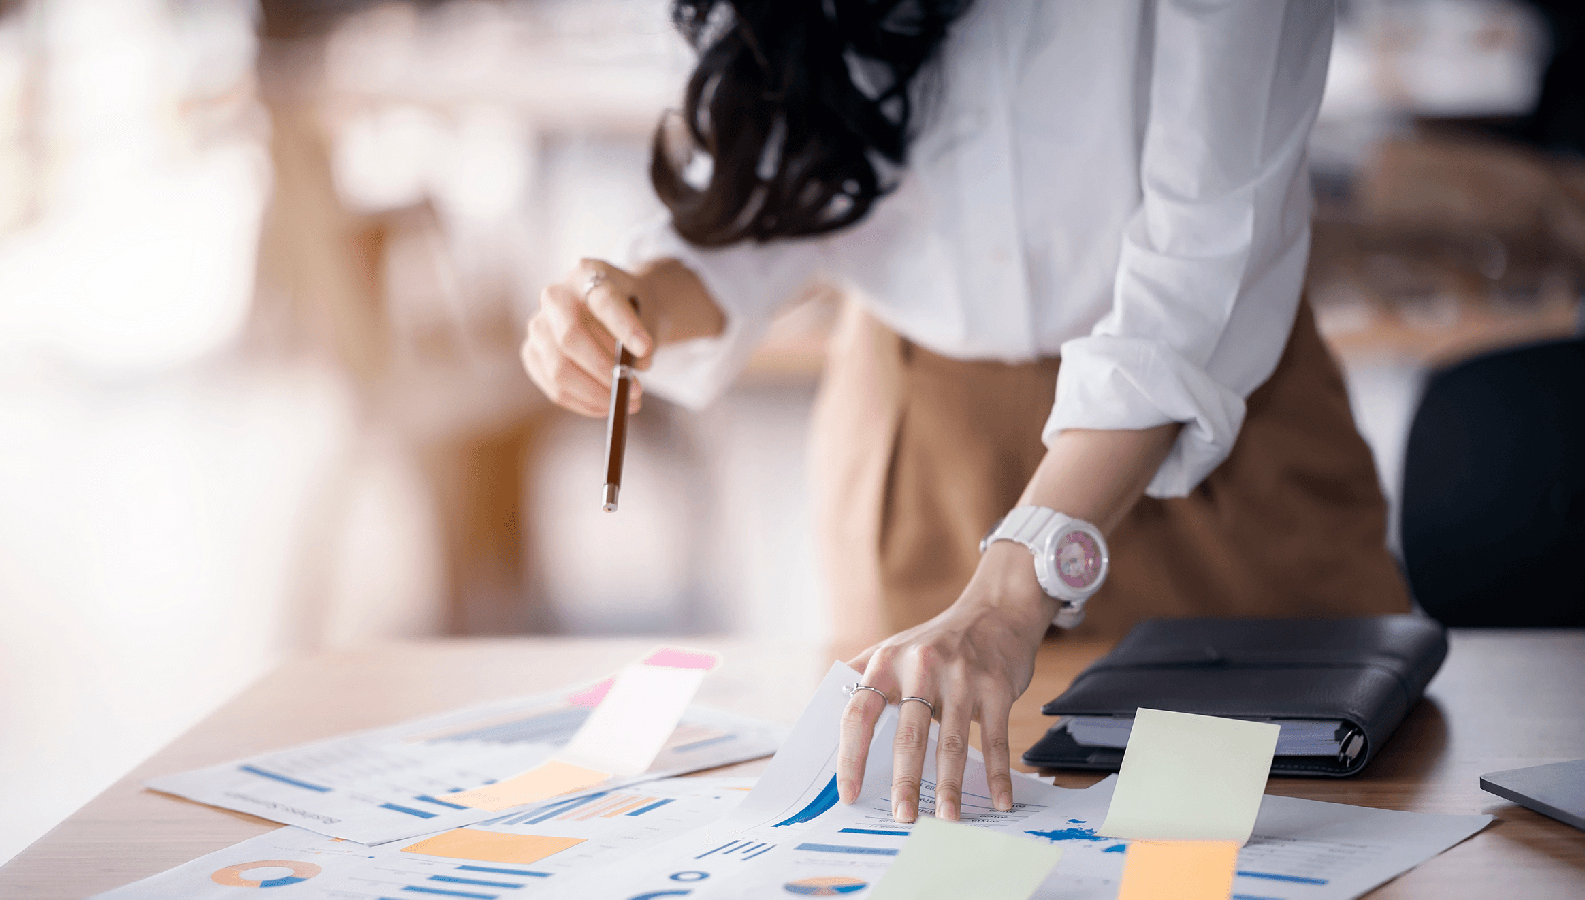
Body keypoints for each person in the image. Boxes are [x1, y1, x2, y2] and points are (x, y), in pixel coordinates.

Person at [520, 0, 1409, 825]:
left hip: (1221, 426)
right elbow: (779, 196)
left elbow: (1204, 253)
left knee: (1287, 822)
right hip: (921, 443)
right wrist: (641, 298)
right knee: (934, 837)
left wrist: (1015, 585)